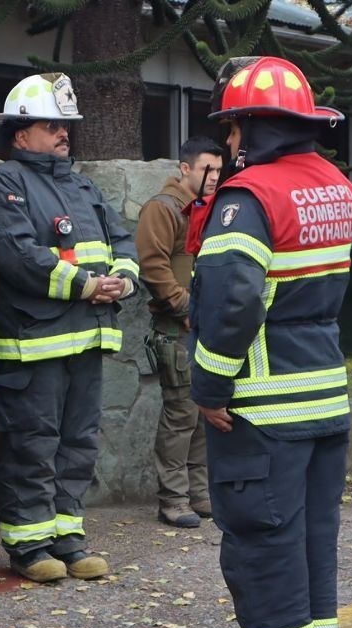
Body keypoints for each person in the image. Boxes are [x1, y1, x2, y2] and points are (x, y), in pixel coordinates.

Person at [187, 57, 352, 628]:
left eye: (232, 130)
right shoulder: (333, 185)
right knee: (313, 542)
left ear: (254, 128)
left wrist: (209, 385)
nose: (228, 144)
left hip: (262, 408)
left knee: (263, 544)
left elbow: (233, 303)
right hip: (323, 398)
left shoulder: (250, 197)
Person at [0, 74, 139, 584]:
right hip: (32, 343)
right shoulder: (2, 184)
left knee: (78, 442)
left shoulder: (82, 185)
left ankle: (69, 538)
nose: (64, 134)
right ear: (21, 135)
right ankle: (28, 544)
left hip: (86, 338)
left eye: (67, 125)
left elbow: (122, 241)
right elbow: (19, 256)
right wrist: (89, 286)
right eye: (53, 125)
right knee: (32, 442)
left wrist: (124, 282)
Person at [136, 136, 223, 529]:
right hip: (177, 326)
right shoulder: (164, 208)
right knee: (181, 414)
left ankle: (199, 493)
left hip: (205, 325)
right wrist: (183, 306)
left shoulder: (206, 210)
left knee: (204, 411)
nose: (214, 176)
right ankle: (173, 498)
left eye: (219, 170)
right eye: (207, 168)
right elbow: (153, 266)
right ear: (185, 168)